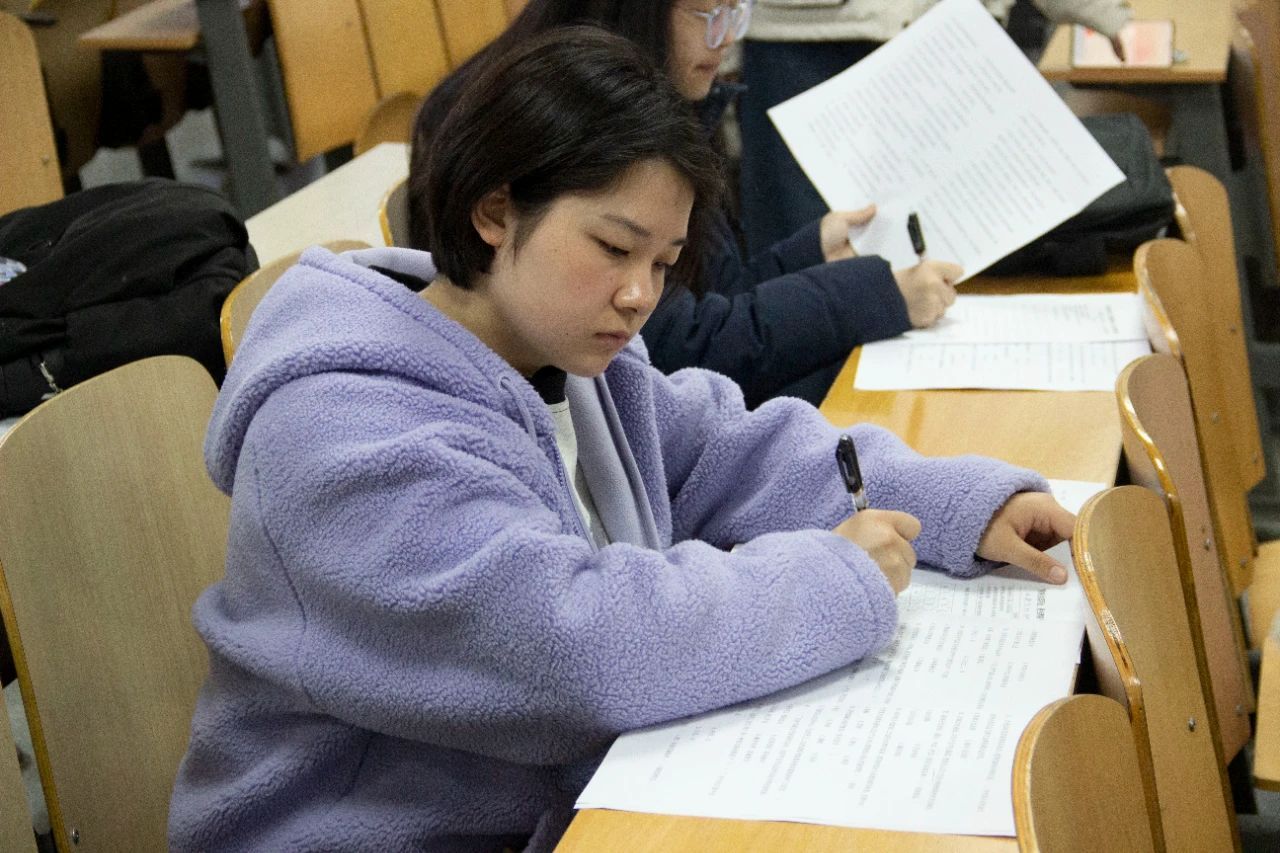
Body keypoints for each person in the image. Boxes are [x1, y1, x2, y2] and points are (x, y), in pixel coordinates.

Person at [169, 27, 1075, 851]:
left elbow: (728, 450)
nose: (640, 294)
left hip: (575, 806)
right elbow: (577, 646)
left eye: (662, 262)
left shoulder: (564, 352)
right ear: (494, 212)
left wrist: (954, 504)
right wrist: (831, 576)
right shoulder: (340, 429)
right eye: (613, 247)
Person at [414, 0, 962, 408]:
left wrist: (807, 253)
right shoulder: (549, 123)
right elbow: (681, 346)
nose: (726, 39)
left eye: (737, 13)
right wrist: (876, 294)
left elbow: (708, 297)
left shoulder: (667, 109)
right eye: (709, 14)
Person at [739, 0, 1134, 254]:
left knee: (959, 241)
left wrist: (1103, 11)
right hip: (800, 40)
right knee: (803, 245)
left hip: (946, 34)